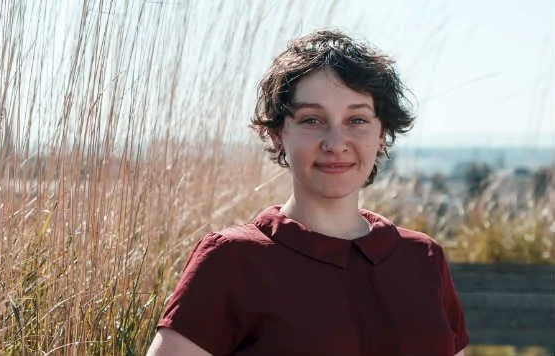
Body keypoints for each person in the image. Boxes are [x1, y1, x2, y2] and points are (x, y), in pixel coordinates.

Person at [146, 30, 469, 355]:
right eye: (312, 120)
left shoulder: (423, 258)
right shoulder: (232, 260)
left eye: (357, 119)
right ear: (277, 135)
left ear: (382, 132)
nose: (336, 143)